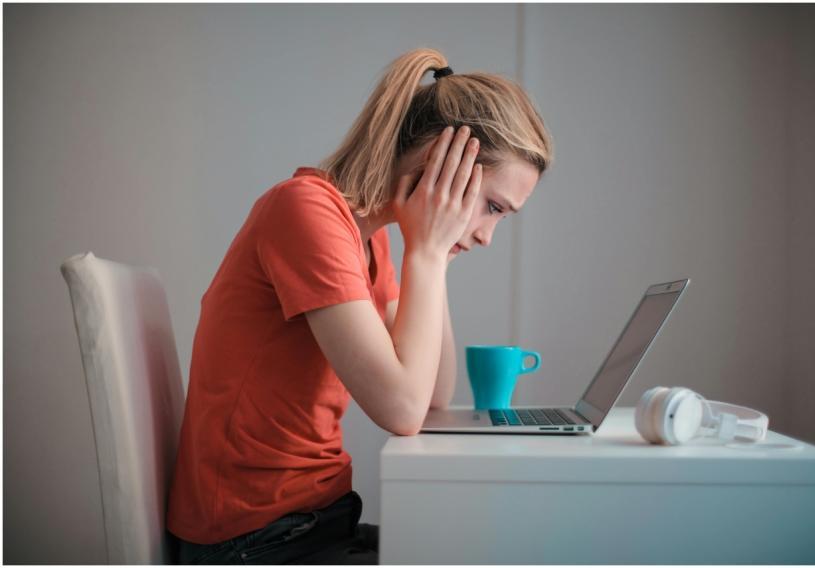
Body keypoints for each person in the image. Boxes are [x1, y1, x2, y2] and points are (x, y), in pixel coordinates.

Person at [166, 47, 554, 564]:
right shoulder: (306, 212)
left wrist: (433, 253)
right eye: (493, 207)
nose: (488, 235)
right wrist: (429, 253)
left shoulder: (368, 239)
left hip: (315, 518)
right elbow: (402, 410)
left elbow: (433, 393)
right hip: (253, 537)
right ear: (443, 164)